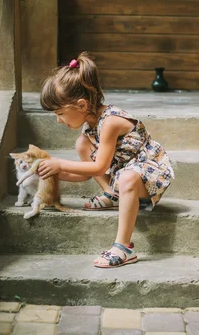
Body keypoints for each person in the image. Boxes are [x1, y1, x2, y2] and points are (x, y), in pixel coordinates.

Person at [38, 52, 175, 268]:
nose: (58, 120)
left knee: (127, 178)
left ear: (82, 105)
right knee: (82, 144)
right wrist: (56, 173)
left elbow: (100, 166)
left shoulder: (110, 121)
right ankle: (112, 195)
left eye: (60, 113)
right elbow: (87, 172)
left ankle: (123, 248)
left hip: (148, 176)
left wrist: (60, 163)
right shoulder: (90, 128)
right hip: (123, 178)